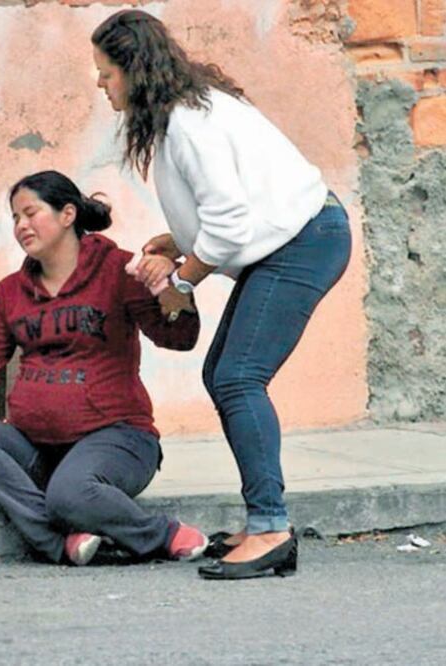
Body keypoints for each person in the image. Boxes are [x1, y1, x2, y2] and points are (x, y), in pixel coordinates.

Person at [91, 10, 352, 579]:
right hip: (291, 238)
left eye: (106, 73)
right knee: (225, 375)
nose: (101, 84)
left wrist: (182, 282)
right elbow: (224, 209)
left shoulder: (189, 122)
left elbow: (231, 224)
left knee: (237, 376)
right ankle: (264, 519)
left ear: (134, 72)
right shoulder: (183, 112)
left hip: (305, 240)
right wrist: (176, 240)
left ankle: (271, 528)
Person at [0, 170, 208, 566]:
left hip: (119, 441)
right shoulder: (10, 292)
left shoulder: (120, 271)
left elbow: (179, 337)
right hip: (37, 449)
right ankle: (58, 542)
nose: (21, 226)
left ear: (68, 214)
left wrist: (170, 287)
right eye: (15, 218)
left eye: (30, 213)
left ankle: (163, 534)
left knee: (70, 494)